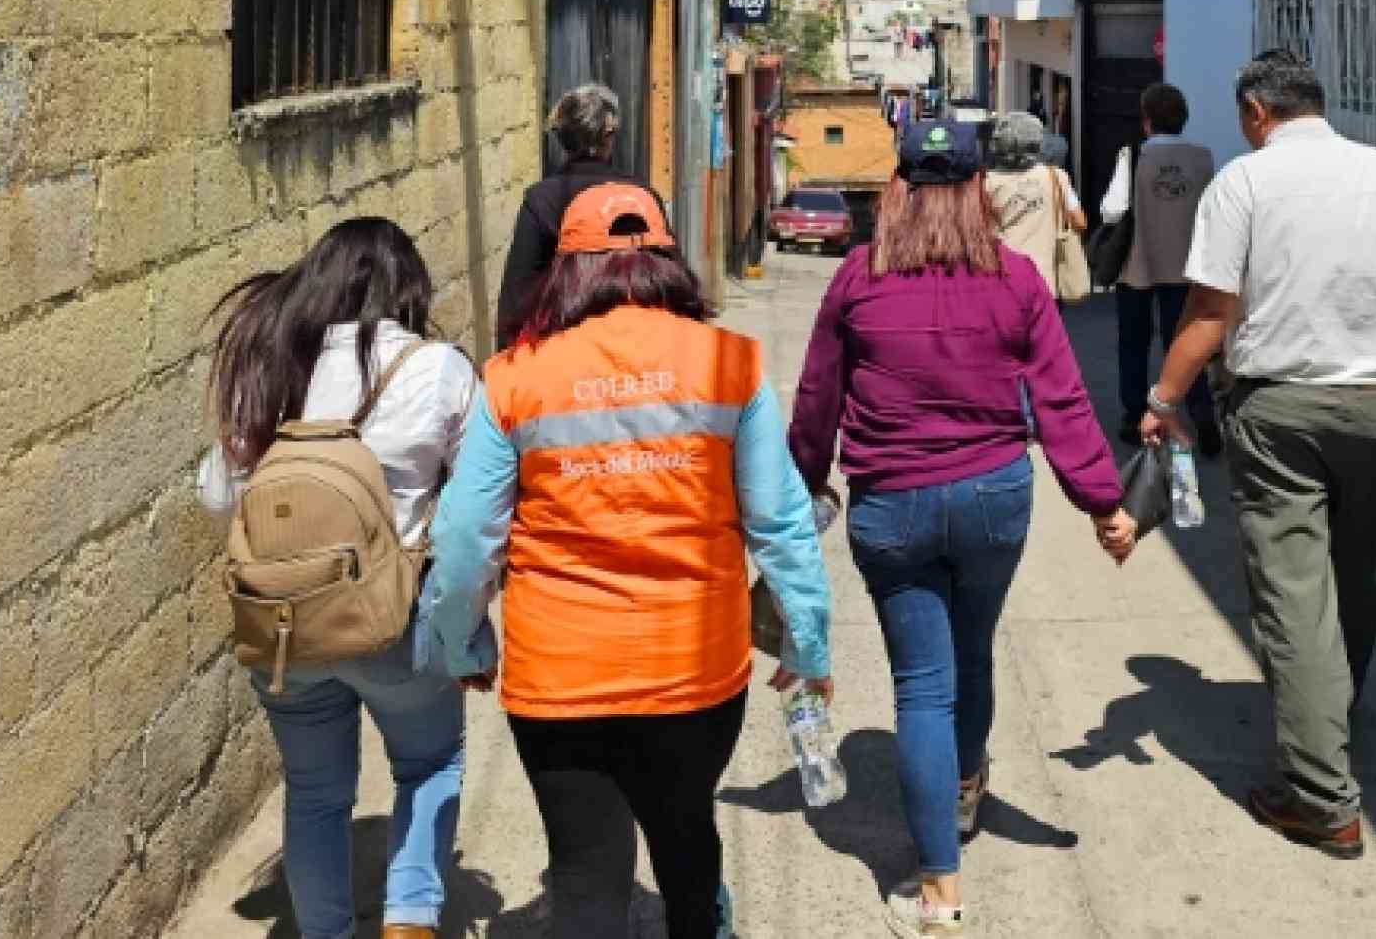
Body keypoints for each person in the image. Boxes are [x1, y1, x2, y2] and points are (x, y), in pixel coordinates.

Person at [426, 184, 832, 939]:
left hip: (560, 678)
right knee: (686, 845)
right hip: (696, 675)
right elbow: (780, 521)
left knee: (583, 879)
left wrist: (460, 641)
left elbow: (462, 540)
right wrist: (807, 644)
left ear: (566, 271)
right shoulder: (729, 364)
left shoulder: (514, 377)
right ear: (667, 261)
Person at [1139, 52, 1376, 861]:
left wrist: (1165, 399)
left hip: (1279, 412)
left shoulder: (1244, 182)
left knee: (1294, 596)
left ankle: (1318, 795)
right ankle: (1332, 706)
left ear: (1255, 112)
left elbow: (1210, 308)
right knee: (1353, 566)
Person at [790, 118, 1133, 939]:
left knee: (922, 686)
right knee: (971, 649)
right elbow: (1063, 400)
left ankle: (940, 889)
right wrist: (1103, 504)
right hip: (992, 499)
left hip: (891, 507)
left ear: (897, 190)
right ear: (980, 190)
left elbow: (816, 399)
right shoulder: (1015, 280)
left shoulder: (857, 279)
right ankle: (969, 782)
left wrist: (803, 489)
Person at [197, 218, 484, 939]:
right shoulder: (437, 367)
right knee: (430, 762)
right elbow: (474, 516)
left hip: (288, 628)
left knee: (316, 793)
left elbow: (216, 495)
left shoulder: (270, 367)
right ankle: (409, 924)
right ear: (407, 290)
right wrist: (467, 626)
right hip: (397, 623)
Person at [1099, 83, 1221, 452]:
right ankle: (1202, 417)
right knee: (1187, 342)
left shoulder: (1134, 155)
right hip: (1188, 266)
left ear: (1147, 120)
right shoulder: (1203, 157)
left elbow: (1112, 209)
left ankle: (1135, 416)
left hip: (1140, 263)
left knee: (1133, 343)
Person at [494, 83, 664, 348]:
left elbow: (518, 292)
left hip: (564, 347)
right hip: (638, 345)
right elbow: (671, 277)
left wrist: (506, 363)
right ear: (609, 135)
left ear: (562, 138)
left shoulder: (542, 199)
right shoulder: (641, 196)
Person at [982, 111, 1086, 285]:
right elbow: (1080, 220)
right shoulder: (1056, 176)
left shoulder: (985, 183)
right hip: (1045, 280)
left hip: (1002, 279)